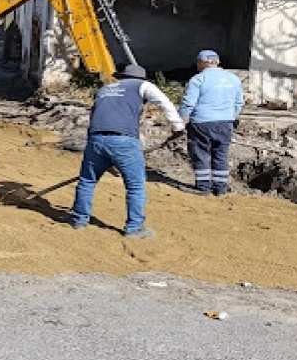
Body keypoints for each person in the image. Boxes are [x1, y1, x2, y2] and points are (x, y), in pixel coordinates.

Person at [70, 64, 185, 239]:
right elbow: (164, 102)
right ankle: (134, 228)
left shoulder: (105, 89)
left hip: (96, 138)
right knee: (135, 186)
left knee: (87, 181)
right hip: (124, 140)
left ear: (121, 76)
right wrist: (177, 126)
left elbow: (95, 114)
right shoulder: (143, 86)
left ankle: (78, 219)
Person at [179, 49, 245, 196]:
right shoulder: (233, 79)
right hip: (225, 122)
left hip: (201, 123)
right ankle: (220, 188)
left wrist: (181, 121)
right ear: (217, 62)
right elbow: (239, 102)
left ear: (202, 63)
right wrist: (230, 116)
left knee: (200, 153)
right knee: (221, 154)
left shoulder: (198, 79)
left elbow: (188, 103)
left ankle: (203, 187)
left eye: (198, 62)